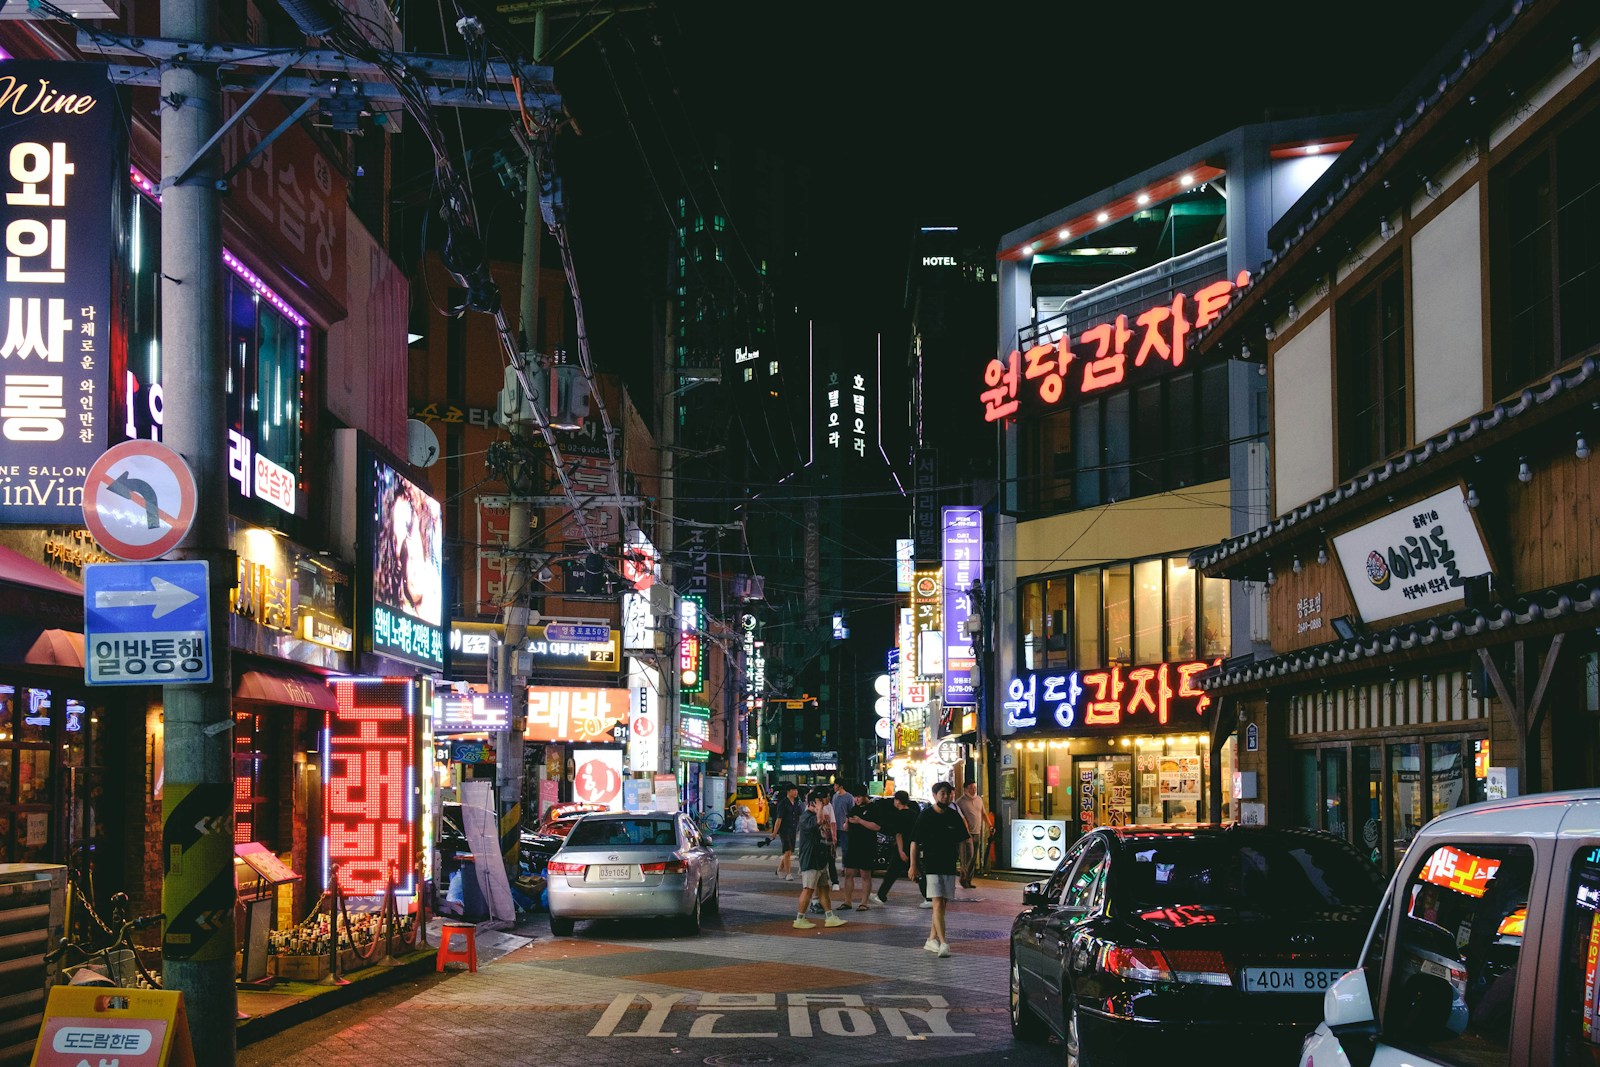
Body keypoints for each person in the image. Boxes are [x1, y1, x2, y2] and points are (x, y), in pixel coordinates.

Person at [909, 781, 970, 957]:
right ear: (934, 795)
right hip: (932, 865)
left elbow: (962, 842)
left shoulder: (953, 816)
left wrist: (963, 866)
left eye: (949, 793)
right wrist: (913, 865)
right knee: (937, 903)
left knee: (942, 904)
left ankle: (931, 939)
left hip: (949, 865)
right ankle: (943, 943)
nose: (946, 796)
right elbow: (914, 842)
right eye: (942, 793)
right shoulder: (925, 816)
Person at [793, 787, 848, 930]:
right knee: (808, 889)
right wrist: (819, 809)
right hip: (810, 859)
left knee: (824, 888)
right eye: (821, 801)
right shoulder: (806, 817)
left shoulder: (819, 815)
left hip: (820, 859)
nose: (825, 802)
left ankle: (830, 917)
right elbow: (817, 823)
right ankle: (800, 919)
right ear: (813, 803)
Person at [874, 791, 926, 906]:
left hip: (902, 848)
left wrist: (901, 850)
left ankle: (881, 896)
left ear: (898, 801)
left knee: (892, 873)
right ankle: (881, 895)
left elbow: (898, 834)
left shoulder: (898, 815)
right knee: (917, 871)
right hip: (913, 846)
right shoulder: (913, 814)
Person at [841, 784, 880, 911]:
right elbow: (846, 827)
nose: (856, 799)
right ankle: (847, 901)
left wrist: (860, 821)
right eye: (855, 797)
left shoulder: (873, 808)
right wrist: (847, 823)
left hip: (867, 845)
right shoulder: (854, 809)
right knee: (848, 873)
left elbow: (877, 827)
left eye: (859, 797)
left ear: (865, 796)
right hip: (853, 845)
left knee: (865, 874)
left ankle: (864, 903)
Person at [954, 780, 992, 888]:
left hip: (977, 832)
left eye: (975, 787)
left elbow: (983, 813)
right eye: (971, 787)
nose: (974, 789)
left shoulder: (979, 799)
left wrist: (990, 826)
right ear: (965, 789)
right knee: (968, 856)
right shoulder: (960, 802)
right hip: (966, 834)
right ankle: (963, 878)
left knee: (974, 857)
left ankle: (968, 880)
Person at [773, 783, 801, 880]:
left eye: (796, 790)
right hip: (784, 830)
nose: (796, 792)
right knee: (788, 851)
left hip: (793, 830)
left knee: (788, 852)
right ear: (788, 792)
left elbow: (799, 815)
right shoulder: (783, 804)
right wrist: (774, 832)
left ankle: (779, 870)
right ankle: (788, 873)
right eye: (794, 790)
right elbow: (779, 819)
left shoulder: (796, 803)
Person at [830, 781, 853, 873]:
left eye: (835, 785)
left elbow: (851, 811)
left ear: (840, 786)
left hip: (844, 826)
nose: (834, 787)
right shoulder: (835, 796)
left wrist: (847, 822)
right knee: (832, 847)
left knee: (845, 848)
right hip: (834, 825)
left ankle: (844, 866)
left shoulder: (849, 797)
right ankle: (831, 866)